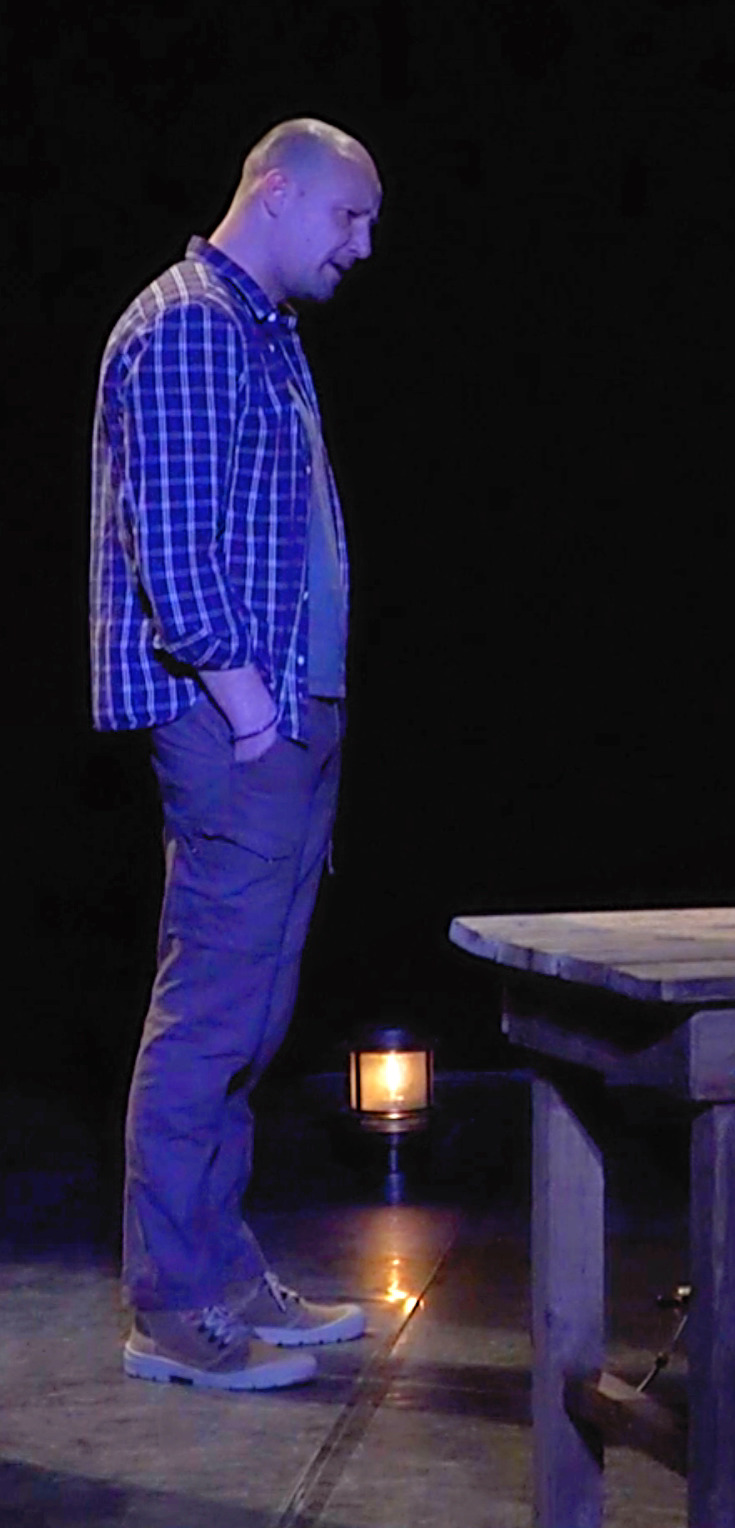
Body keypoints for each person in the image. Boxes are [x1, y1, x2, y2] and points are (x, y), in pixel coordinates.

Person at [91, 118, 382, 1390]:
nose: (360, 247)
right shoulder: (187, 325)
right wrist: (253, 713)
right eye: (348, 217)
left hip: (288, 715)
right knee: (208, 1017)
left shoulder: (264, 329)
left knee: (251, 1016)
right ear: (275, 191)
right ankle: (170, 1306)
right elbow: (174, 547)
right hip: (234, 722)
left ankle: (219, 1268)